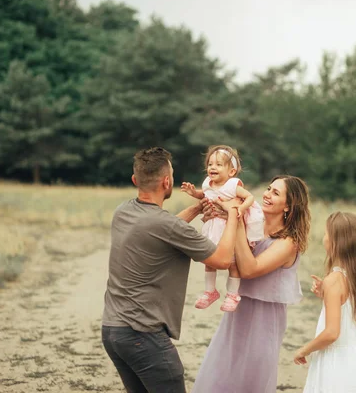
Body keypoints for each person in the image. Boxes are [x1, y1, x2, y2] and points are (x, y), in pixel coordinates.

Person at [101, 147, 240, 393]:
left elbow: (163, 228)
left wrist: (197, 209)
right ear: (167, 181)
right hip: (143, 336)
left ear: (135, 180)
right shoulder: (167, 225)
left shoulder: (122, 212)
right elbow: (223, 258)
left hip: (113, 332)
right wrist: (233, 216)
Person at [192, 175, 311, 393]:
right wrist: (215, 219)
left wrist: (236, 219)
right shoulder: (252, 225)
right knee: (222, 371)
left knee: (251, 378)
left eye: (276, 193)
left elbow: (249, 269)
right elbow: (222, 255)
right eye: (268, 188)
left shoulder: (288, 243)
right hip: (238, 311)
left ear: (289, 206)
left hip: (265, 319)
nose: (266, 194)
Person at [294, 211, 356, 392]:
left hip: (337, 362)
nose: (323, 237)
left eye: (326, 233)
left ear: (335, 242)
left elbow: (332, 333)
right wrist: (327, 297)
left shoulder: (334, 281)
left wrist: (305, 349)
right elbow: (348, 311)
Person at [181, 145, 264, 312]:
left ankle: (232, 294)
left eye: (219, 164)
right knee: (209, 261)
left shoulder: (233, 185)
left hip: (228, 228)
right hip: (212, 227)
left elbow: (249, 197)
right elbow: (204, 195)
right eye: (210, 164)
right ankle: (210, 291)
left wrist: (241, 209)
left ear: (231, 171)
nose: (213, 167)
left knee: (232, 264)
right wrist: (194, 193)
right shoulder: (207, 183)